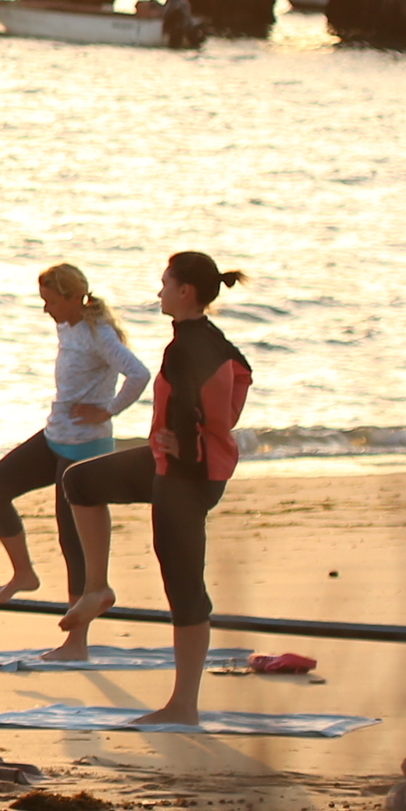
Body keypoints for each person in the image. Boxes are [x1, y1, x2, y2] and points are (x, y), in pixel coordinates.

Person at [54, 252, 253, 726]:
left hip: (188, 478)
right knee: (80, 480)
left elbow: (196, 406)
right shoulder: (206, 339)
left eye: (165, 284)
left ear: (185, 292)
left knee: (184, 589)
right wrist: (180, 443)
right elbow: (240, 378)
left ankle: (183, 705)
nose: (159, 291)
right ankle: (97, 588)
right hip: (176, 464)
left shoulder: (186, 347)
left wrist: (183, 445)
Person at [0, 261, 150, 649]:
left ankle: (77, 644)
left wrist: (109, 409)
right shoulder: (67, 324)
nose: (46, 309)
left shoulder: (99, 333)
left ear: (73, 298)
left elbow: (138, 373)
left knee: (72, 540)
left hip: (85, 448)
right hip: (55, 435)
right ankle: (24, 574)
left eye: (50, 301)